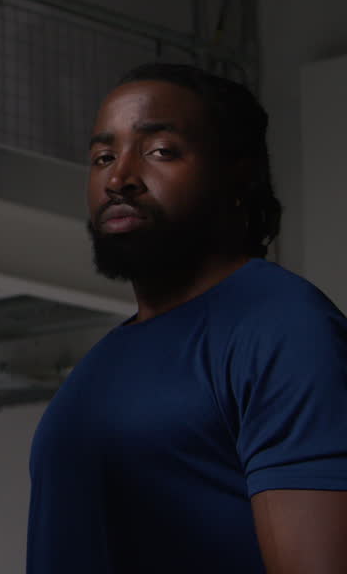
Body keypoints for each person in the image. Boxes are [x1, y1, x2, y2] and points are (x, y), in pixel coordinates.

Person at [28, 63, 347, 573]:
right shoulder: (103, 362)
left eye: (159, 152)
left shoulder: (284, 329)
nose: (119, 178)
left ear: (237, 173)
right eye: (103, 157)